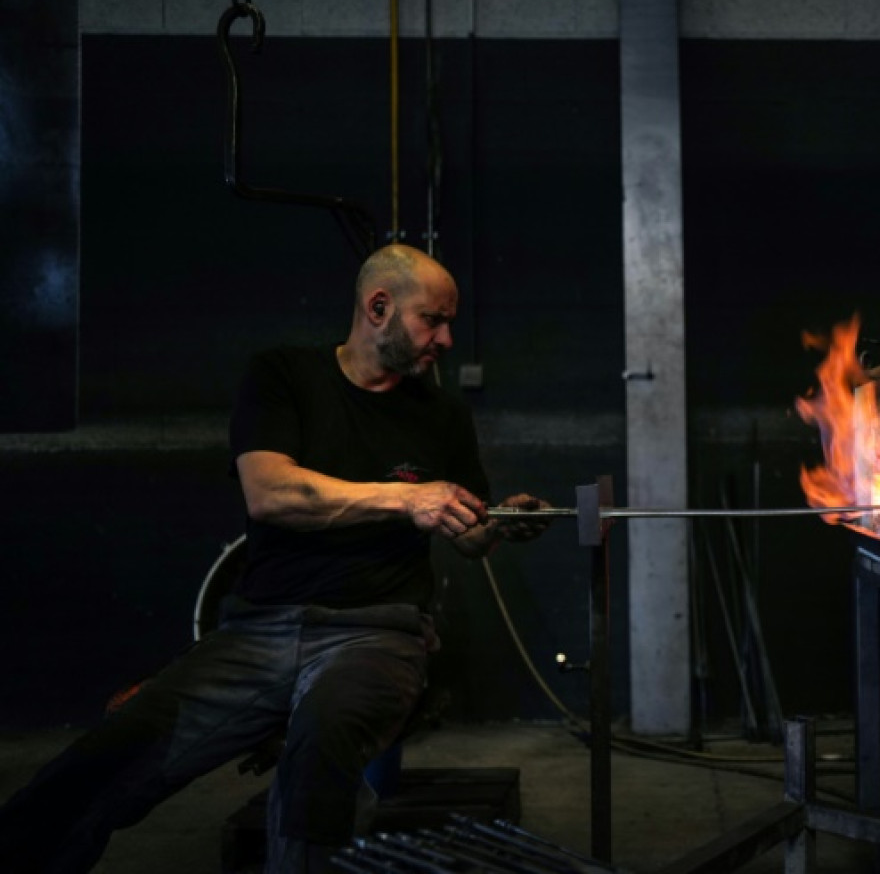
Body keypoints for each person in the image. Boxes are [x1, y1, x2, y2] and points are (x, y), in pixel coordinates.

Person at [0, 244, 552, 872]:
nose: (447, 338)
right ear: (378, 307)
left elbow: (464, 532)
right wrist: (404, 497)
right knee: (111, 756)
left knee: (322, 746)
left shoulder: (443, 415)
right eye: (433, 319)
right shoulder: (284, 377)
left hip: (377, 631)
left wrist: (502, 523)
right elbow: (271, 494)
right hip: (261, 626)